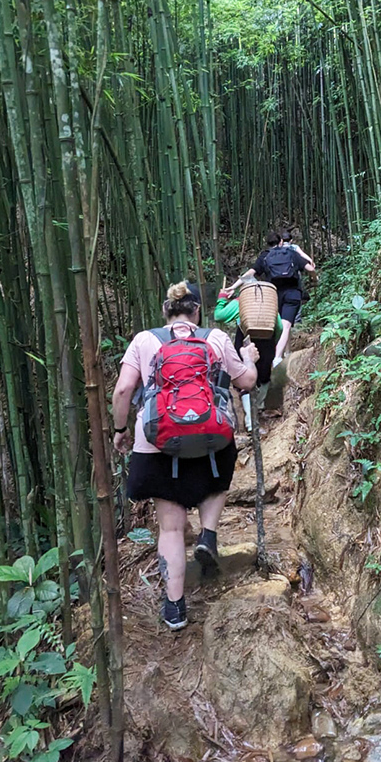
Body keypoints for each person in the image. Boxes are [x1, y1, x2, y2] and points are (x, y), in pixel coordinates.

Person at [112, 281, 260, 630]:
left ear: (166, 311)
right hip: (210, 441)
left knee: (171, 527)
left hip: (157, 444)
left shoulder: (144, 340)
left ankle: (175, 608)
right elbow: (247, 382)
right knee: (217, 482)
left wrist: (119, 430)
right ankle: (208, 534)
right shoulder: (216, 338)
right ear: (197, 311)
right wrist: (249, 358)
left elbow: (122, 390)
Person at [226, 231, 316, 366]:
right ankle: (278, 357)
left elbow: (250, 273)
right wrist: (314, 277)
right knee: (286, 326)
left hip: (272, 296)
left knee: (277, 325)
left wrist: (233, 287)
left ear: (267, 244)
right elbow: (309, 268)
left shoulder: (265, 256)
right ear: (281, 242)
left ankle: (285, 352)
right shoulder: (291, 253)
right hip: (292, 293)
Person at [214, 287, 283, 430]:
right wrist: (273, 342)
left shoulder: (241, 302)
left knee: (245, 379)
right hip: (267, 343)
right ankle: (258, 408)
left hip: (245, 343)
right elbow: (280, 327)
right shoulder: (268, 303)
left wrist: (221, 299)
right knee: (264, 377)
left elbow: (218, 316)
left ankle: (250, 422)